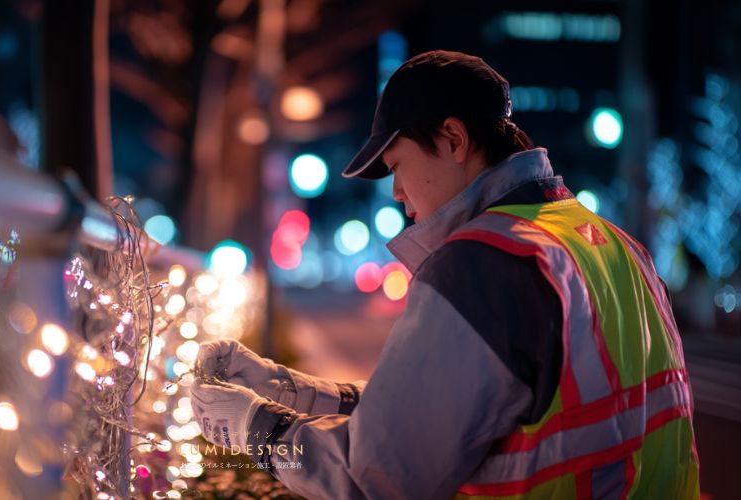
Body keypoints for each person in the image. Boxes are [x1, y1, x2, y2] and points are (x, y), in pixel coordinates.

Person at [189, 50, 700, 499]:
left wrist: (250, 428)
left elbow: (371, 480)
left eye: (397, 166)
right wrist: (291, 390)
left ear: (454, 139)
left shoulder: (486, 261)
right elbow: (455, 407)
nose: (397, 193)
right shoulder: (612, 242)